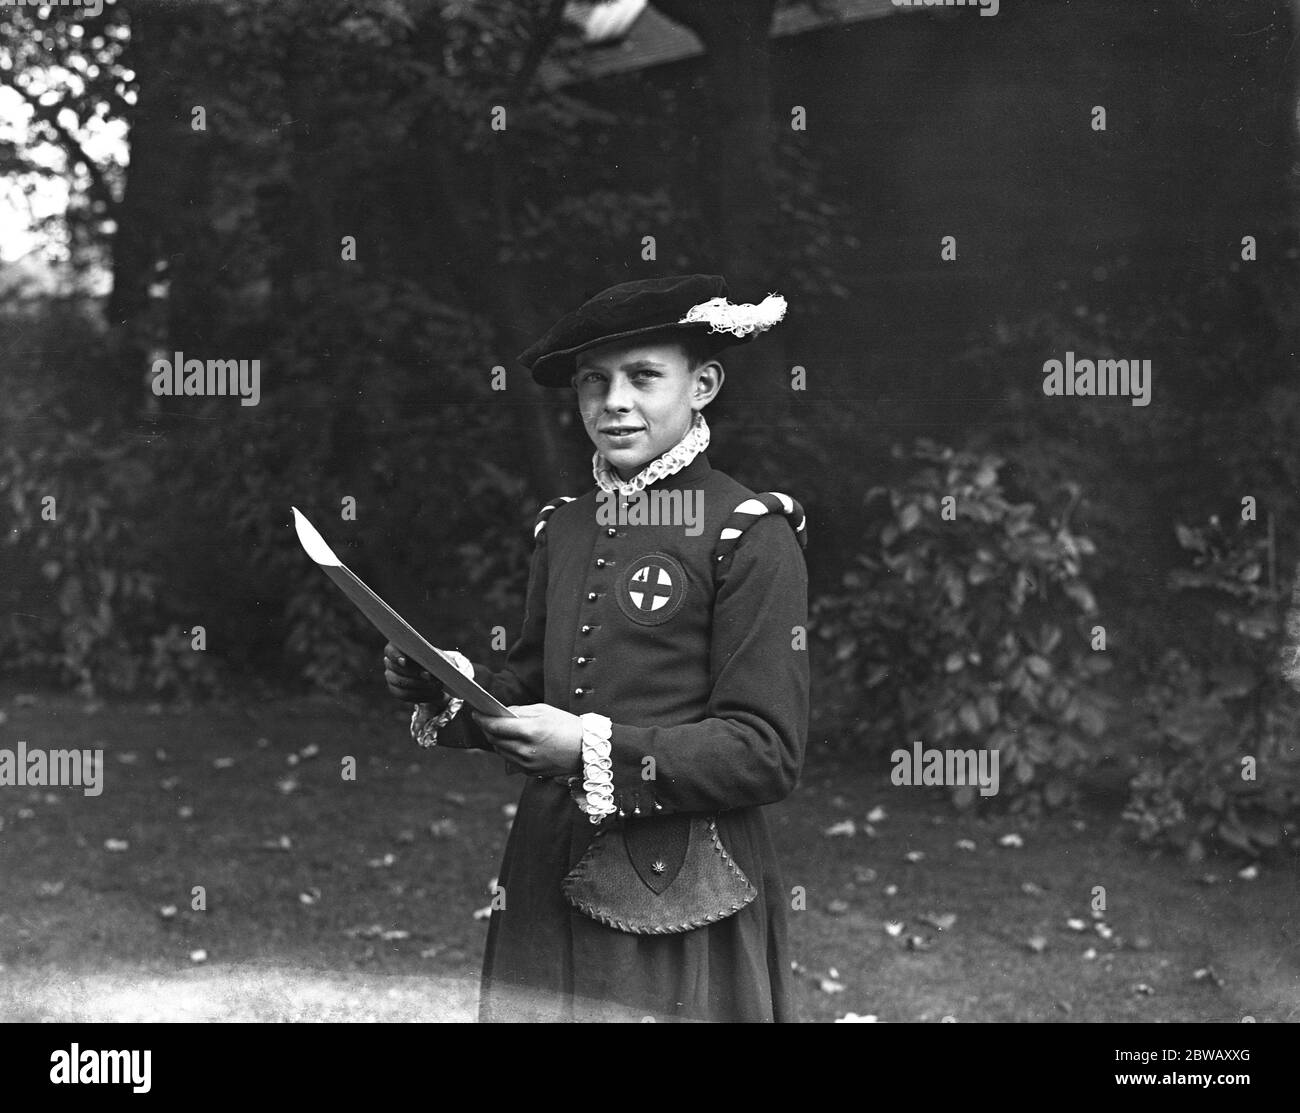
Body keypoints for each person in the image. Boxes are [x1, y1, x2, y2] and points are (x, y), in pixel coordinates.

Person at [384, 274, 809, 1022]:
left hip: (679, 882)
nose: (613, 401)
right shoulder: (565, 526)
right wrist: (448, 684)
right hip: (547, 859)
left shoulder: (749, 531)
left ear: (703, 385)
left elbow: (765, 750)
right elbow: (527, 687)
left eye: (643, 376)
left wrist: (587, 747)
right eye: (593, 380)